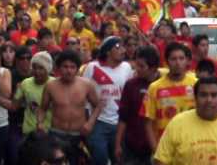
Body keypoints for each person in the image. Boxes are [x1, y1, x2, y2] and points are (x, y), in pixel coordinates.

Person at [154, 77, 217, 165]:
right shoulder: (177, 124)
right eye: (203, 95)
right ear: (195, 98)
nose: (209, 100)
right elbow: (161, 161)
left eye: (214, 95)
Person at [38, 49, 103, 165]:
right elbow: (42, 108)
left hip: (79, 135)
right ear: (58, 68)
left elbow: (98, 106)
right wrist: (40, 123)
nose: (68, 70)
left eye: (72, 67)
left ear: (77, 69)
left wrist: (90, 123)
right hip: (56, 135)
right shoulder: (50, 86)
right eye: (65, 66)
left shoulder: (86, 85)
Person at [82, 36, 134, 165]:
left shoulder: (126, 67)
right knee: (99, 159)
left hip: (119, 123)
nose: (123, 50)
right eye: (118, 47)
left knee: (118, 159)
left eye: (123, 46)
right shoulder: (93, 67)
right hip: (98, 122)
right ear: (107, 51)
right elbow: (83, 92)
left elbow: (129, 93)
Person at [141, 42, 196, 152]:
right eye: (173, 59)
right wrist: (155, 150)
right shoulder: (154, 88)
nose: (178, 63)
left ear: (187, 61)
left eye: (181, 58)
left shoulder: (196, 85)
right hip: (164, 149)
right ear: (166, 62)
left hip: (191, 148)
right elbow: (147, 122)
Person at [115, 46, 161, 165]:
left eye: (142, 66)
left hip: (158, 145)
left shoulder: (162, 86)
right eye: (136, 65)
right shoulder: (131, 85)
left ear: (153, 68)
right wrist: (118, 144)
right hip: (132, 145)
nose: (137, 69)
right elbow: (123, 117)